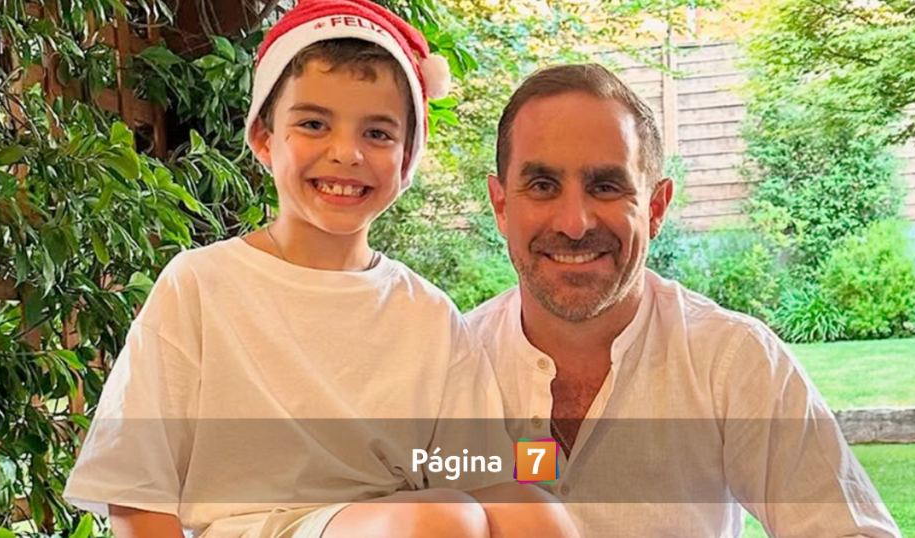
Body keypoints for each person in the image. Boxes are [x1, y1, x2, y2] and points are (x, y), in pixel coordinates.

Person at [63, 2, 579, 537]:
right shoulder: (200, 285)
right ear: (264, 137)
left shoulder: (427, 314)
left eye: (378, 134)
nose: (346, 153)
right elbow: (137, 491)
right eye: (313, 123)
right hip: (266, 529)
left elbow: (478, 469)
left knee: (532, 508)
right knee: (441, 519)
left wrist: (540, 469)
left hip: (397, 523)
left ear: (407, 158)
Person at [466, 63, 903, 538]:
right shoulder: (452, 360)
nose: (575, 223)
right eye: (543, 186)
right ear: (501, 205)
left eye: (606, 187)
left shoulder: (730, 359)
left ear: (655, 208)